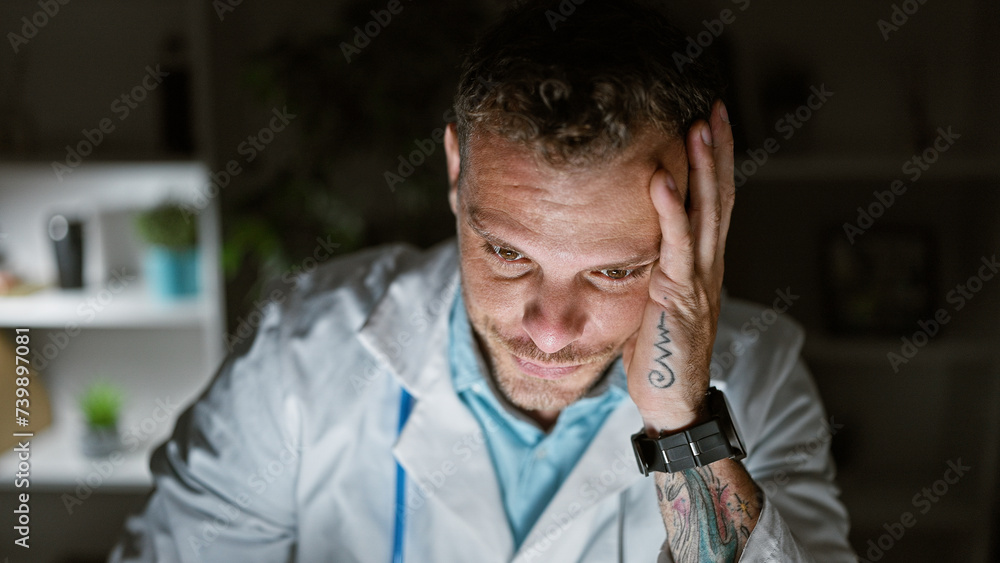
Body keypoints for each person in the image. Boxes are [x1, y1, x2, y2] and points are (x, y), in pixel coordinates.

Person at [111, 1, 854, 561]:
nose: (551, 325)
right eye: (507, 252)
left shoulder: (759, 375)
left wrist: (680, 422)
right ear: (455, 172)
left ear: (698, 219)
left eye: (615, 269)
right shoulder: (300, 355)